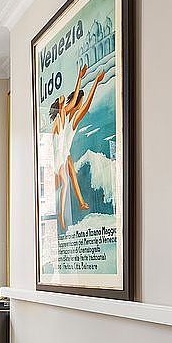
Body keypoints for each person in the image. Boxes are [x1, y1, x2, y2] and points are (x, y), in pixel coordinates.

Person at [50, 63, 105, 230]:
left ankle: (78, 203)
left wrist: (94, 81)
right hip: (59, 155)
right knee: (63, 182)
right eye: (77, 104)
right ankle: (64, 209)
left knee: (68, 179)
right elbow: (78, 102)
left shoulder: (69, 120)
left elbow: (85, 104)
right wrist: (84, 78)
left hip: (63, 153)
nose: (80, 106)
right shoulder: (64, 117)